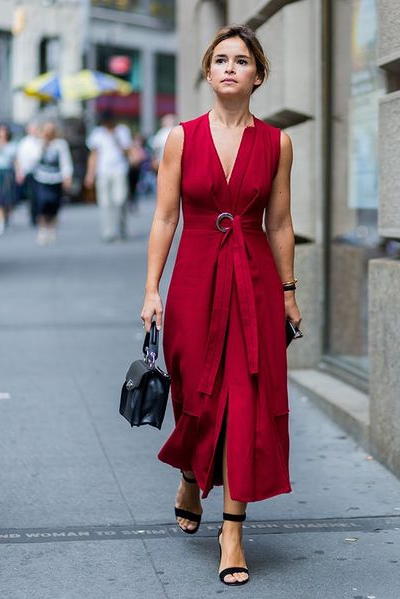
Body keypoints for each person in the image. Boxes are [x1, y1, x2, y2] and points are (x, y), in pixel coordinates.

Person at [141, 25, 301, 587]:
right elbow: (166, 217)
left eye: (242, 60)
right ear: (208, 73)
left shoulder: (277, 143)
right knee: (195, 395)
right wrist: (152, 289)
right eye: (220, 60)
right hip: (195, 280)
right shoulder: (181, 138)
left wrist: (289, 290)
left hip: (254, 280)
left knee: (244, 401)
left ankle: (232, 532)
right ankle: (189, 472)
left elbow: (279, 222)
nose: (230, 67)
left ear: (258, 74)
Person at [84, 111, 132, 242]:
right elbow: (94, 155)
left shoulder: (122, 131)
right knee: (105, 203)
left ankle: (121, 227)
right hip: (103, 171)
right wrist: (90, 174)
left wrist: (117, 139)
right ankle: (108, 231)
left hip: (119, 170)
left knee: (120, 199)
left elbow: (128, 150)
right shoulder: (97, 133)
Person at [33, 120, 73, 245]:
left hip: (56, 179)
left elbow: (65, 161)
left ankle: (52, 229)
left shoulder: (61, 144)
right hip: (41, 179)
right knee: (42, 204)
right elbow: (33, 160)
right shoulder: (37, 143)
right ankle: (42, 230)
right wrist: (42, 145)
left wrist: (67, 177)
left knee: (54, 205)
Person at [15, 120, 41, 227]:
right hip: (28, 173)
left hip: (40, 173)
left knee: (40, 195)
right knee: (31, 195)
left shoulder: (40, 142)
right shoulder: (24, 143)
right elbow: (19, 159)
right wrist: (19, 172)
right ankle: (33, 216)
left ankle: (40, 214)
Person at [0, 124, 17, 236]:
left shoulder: (11, 145)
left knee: (7, 197)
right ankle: (0, 222)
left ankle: (8, 218)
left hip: (7, 173)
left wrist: (19, 172)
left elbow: (15, 160)